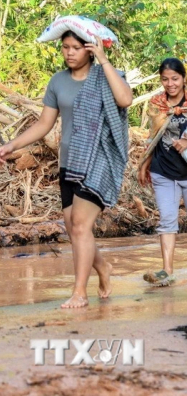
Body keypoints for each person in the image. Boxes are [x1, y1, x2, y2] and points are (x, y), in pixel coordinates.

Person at [0, 31, 132, 308]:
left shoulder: (106, 76)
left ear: (88, 50)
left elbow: (125, 100)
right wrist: (12, 145)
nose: (70, 53)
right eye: (65, 47)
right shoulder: (58, 81)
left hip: (99, 162)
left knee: (82, 226)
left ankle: (79, 292)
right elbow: (44, 124)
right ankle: (103, 268)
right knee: (74, 230)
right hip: (69, 163)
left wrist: (104, 60)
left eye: (76, 48)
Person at [137, 59, 187, 285]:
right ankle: (167, 270)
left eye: (174, 79)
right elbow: (153, 136)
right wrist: (144, 164)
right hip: (163, 170)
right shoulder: (156, 103)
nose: (170, 84)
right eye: (165, 79)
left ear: (183, 79)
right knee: (167, 220)